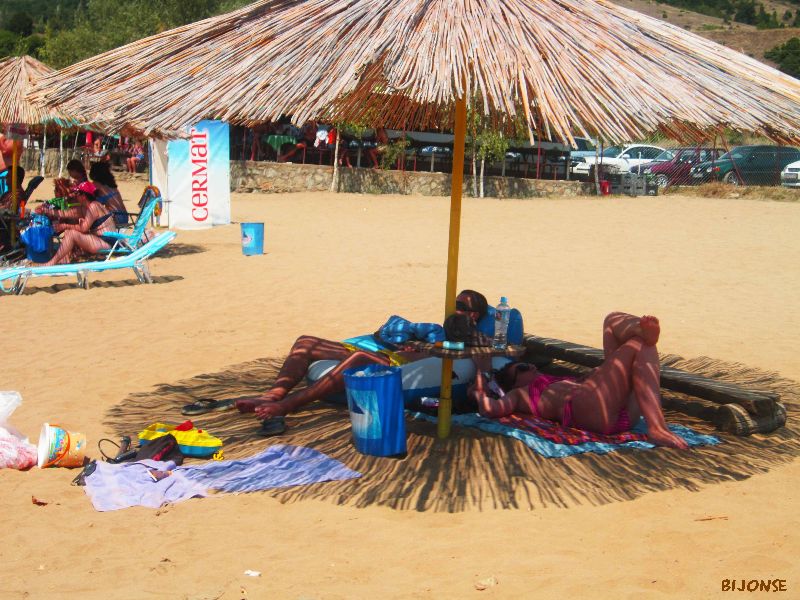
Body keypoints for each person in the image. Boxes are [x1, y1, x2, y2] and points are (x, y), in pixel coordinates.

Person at [237, 289, 489, 420]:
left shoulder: (474, 339)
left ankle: (287, 405)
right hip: (390, 356)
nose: (453, 309)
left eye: (460, 306)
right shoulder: (444, 330)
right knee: (306, 343)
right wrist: (415, 346)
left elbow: (481, 364)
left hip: (395, 367)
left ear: (474, 314)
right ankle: (274, 393)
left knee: (357, 360)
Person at [469, 312, 689, 449]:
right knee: (640, 344)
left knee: (613, 323)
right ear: (515, 382)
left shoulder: (551, 381)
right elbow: (491, 409)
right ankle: (657, 426)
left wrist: (591, 377)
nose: (533, 366)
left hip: (614, 411)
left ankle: (640, 333)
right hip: (594, 410)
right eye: (524, 367)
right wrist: (482, 375)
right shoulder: (518, 395)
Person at [35, 182, 114, 266]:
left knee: (72, 234)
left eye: (77, 193)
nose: (75, 196)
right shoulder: (86, 208)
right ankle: (65, 258)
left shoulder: (94, 206)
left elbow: (84, 228)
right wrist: (45, 210)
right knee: (69, 232)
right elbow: (64, 213)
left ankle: (52, 262)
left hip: (107, 242)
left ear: (83, 196)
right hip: (99, 240)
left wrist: (64, 226)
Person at [89, 161, 128, 226]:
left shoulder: (96, 184)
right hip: (124, 216)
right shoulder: (111, 183)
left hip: (115, 218)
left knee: (89, 222)